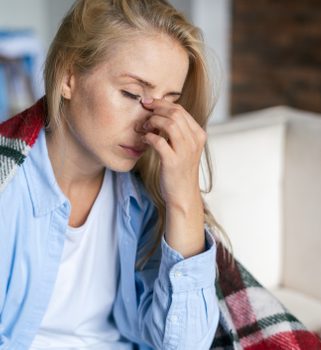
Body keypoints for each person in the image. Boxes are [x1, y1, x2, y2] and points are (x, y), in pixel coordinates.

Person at [0, 0, 227, 349]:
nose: (149, 122)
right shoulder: (8, 188)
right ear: (69, 77)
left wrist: (184, 199)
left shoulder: (146, 198)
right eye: (132, 94)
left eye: (167, 103)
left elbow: (184, 345)